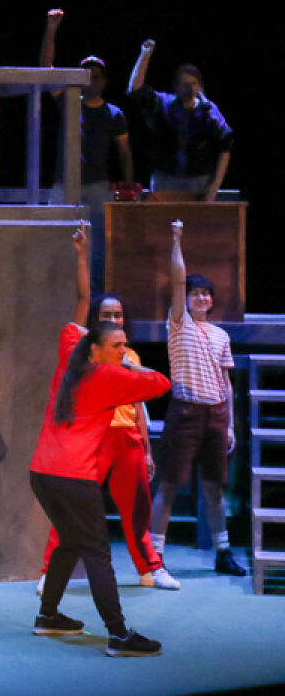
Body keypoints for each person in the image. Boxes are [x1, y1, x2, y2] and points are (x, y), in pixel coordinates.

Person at [35, 224, 179, 596]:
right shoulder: (80, 350)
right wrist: (82, 256)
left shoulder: (128, 355)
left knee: (138, 510)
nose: (113, 320)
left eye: (118, 316)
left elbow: (140, 405)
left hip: (127, 438)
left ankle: (151, 568)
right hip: (91, 443)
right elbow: (83, 298)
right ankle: (50, 572)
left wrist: (146, 449)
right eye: (106, 316)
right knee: (71, 510)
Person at [29, 319, 171, 656]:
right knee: (97, 552)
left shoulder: (70, 360)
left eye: (125, 346)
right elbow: (161, 383)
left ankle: (47, 616)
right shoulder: (110, 375)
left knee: (69, 542)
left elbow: (68, 328)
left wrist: (100, 345)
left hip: (43, 474)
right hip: (74, 477)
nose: (123, 352)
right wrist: (128, 365)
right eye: (117, 346)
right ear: (95, 349)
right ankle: (119, 635)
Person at [149, 220, 245, 575]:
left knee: (215, 488)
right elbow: (177, 279)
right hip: (186, 413)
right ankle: (154, 555)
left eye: (207, 294)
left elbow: (227, 382)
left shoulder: (220, 336)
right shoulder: (179, 324)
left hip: (216, 414)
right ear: (186, 300)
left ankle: (223, 552)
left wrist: (230, 424)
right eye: (195, 293)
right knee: (170, 484)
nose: (202, 298)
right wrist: (176, 239)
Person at [39, 9, 134, 289]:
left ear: (103, 81)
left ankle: (94, 298)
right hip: (65, 183)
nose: (91, 80)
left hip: (97, 186)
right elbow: (46, 70)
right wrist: (52, 29)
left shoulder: (114, 114)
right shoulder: (69, 101)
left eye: (96, 76)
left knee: (98, 247)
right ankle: (52, 289)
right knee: (52, 236)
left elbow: (125, 154)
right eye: (86, 75)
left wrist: (127, 187)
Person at [126, 40, 232, 200]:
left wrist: (214, 188)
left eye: (193, 84)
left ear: (200, 87)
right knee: (162, 222)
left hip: (197, 181)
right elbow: (135, 89)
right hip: (165, 179)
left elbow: (226, 143)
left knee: (195, 223)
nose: (189, 88)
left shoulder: (208, 110)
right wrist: (145, 54)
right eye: (184, 84)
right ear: (175, 86)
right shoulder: (163, 103)